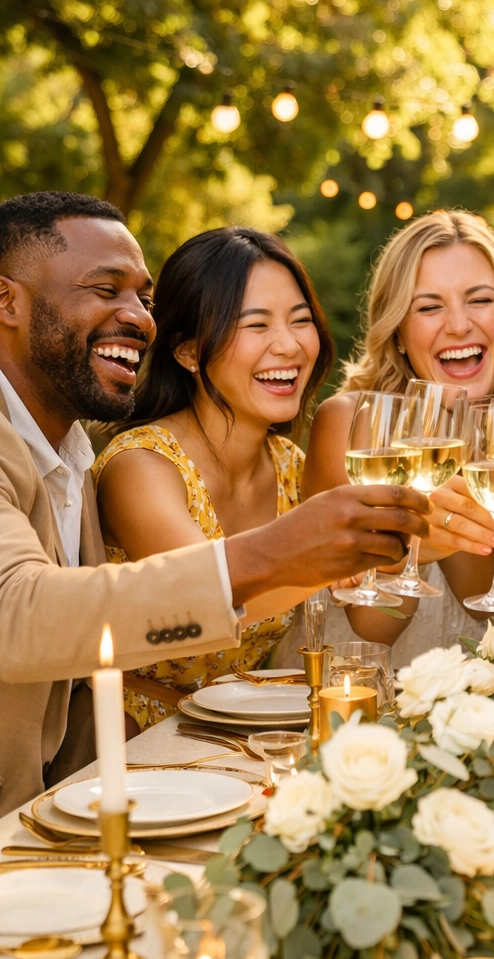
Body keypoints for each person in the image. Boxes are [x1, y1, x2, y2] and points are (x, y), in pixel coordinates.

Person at [0, 191, 430, 815]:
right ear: (6, 300)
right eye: (105, 289)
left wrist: (411, 542)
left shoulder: (68, 452)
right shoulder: (130, 460)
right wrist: (301, 552)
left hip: (120, 787)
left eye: (143, 298)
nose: (141, 317)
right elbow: (20, 613)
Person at [288, 210, 494, 660]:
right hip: (361, 713)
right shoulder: (349, 427)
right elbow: (371, 630)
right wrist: (416, 542)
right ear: (398, 331)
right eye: (429, 307)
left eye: (479, 300)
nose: (458, 325)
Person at [92, 228, 331, 729]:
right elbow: (204, 604)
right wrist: (337, 556)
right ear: (188, 352)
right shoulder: (140, 465)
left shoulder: (290, 465)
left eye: (300, 321)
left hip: (239, 735)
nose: (287, 345)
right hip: (125, 743)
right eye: (256, 325)